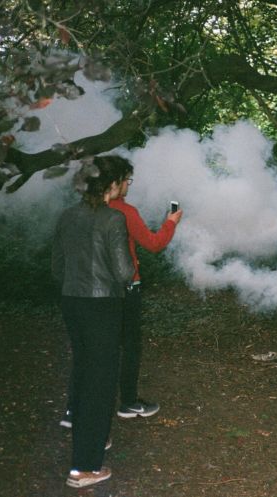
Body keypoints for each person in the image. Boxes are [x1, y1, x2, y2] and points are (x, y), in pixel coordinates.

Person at [52, 156, 135, 488]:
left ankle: (92, 439)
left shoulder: (67, 216)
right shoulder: (113, 219)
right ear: (111, 185)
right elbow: (124, 272)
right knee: (100, 383)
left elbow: (57, 268)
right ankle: (84, 467)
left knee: (85, 372)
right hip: (102, 305)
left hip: (72, 301)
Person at [109, 158, 182, 418]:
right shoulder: (125, 212)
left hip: (94, 289)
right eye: (127, 180)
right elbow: (153, 243)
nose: (129, 185)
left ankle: (78, 409)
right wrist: (171, 221)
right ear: (115, 181)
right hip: (127, 287)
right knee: (129, 346)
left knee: (99, 347)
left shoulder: (88, 210)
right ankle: (128, 401)